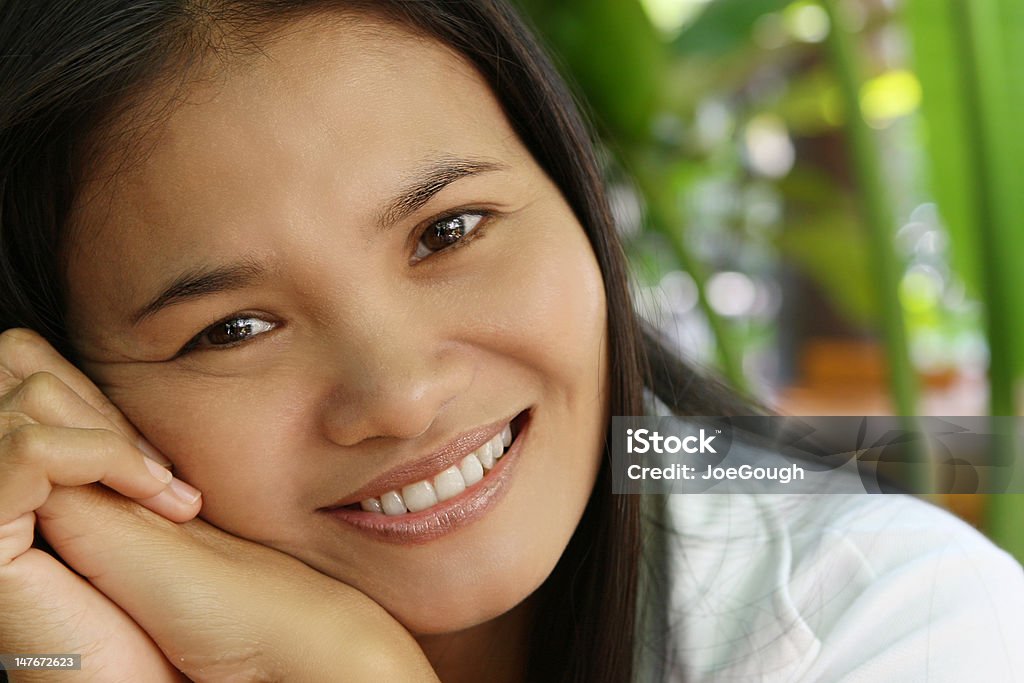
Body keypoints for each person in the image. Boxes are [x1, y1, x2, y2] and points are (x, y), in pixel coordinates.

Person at [0, 1, 1020, 681]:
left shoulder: (904, 624)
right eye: (233, 328)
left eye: (448, 231)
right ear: (65, 387)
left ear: (574, 199)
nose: (398, 393)